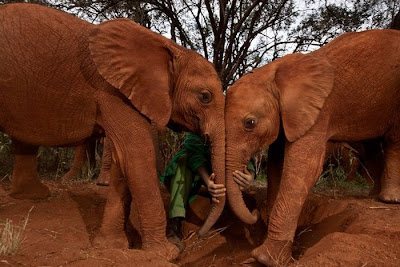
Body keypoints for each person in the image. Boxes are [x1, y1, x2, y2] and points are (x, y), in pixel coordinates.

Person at [160, 132, 256, 250]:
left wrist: (250, 175)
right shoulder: (198, 122)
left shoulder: (231, 122)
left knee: (231, 158)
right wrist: (208, 182)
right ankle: (174, 225)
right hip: (196, 172)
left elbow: (243, 151)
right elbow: (193, 153)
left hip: (221, 171)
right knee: (183, 160)